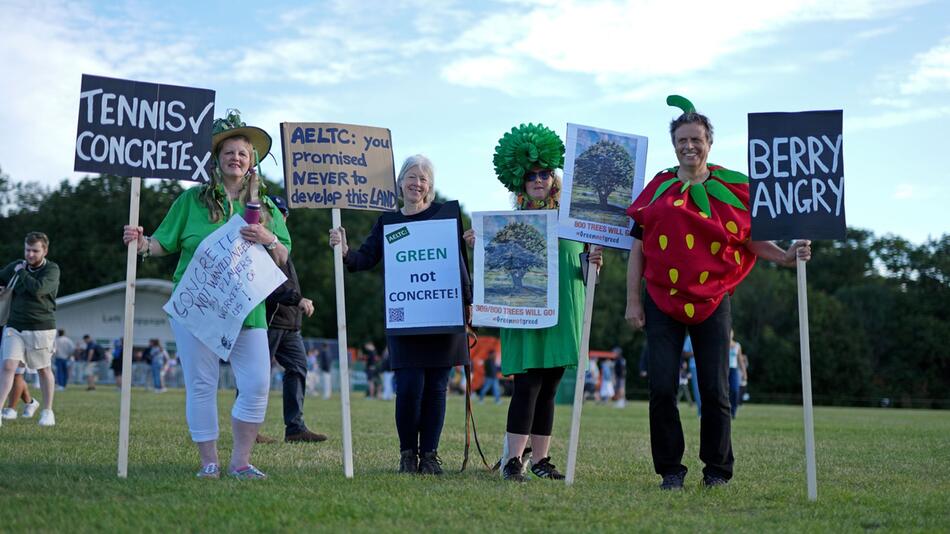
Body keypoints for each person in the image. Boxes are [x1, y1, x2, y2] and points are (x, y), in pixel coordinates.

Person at [624, 95, 812, 490]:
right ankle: (670, 471)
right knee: (661, 388)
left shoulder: (733, 188)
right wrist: (633, 302)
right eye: (682, 140)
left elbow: (750, 240)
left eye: (696, 139)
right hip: (661, 299)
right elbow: (638, 248)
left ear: (709, 142)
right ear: (673, 144)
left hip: (713, 301)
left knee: (715, 388)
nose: (689, 146)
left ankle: (717, 471)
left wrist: (784, 257)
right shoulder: (657, 189)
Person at [122, 110, 290, 480]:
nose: (236, 158)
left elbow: (283, 256)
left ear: (252, 164)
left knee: (258, 383)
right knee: (202, 384)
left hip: (248, 309)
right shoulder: (190, 201)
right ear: (216, 159)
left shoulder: (268, 208)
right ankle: (209, 462)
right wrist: (140, 242)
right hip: (197, 307)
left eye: (243, 154)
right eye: (228, 152)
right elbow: (160, 246)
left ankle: (241, 461)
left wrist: (269, 237)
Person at [464, 123, 603, 482]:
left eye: (544, 174)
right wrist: (478, 245)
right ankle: (513, 460)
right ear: (521, 182)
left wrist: (594, 262)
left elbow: (586, 270)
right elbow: (492, 264)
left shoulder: (575, 221)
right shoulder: (508, 223)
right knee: (527, 384)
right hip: (524, 311)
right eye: (531, 176)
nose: (538, 180)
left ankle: (541, 460)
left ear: (554, 179)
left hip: (564, 309)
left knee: (551, 385)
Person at [329, 154, 471, 475]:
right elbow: (365, 259)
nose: (416, 183)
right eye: (411, 176)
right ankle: (408, 454)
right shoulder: (387, 222)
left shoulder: (446, 216)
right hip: (406, 315)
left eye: (422, 178)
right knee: (408, 388)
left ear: (430, 186)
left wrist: (470, 300)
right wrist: (346, 250)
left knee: (436, 388)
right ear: (400, 182)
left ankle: (430, 455)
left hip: (443, 314)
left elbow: (460, 263)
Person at [262, 194, 327, 443]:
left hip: (290, 324)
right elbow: (270, 286)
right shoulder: (262, 245)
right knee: (256, 377)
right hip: (270, 321)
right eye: (277, 212)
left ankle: (295, 429)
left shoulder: (283, 244)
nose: (282, 216)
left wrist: (297, 301)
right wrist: (298, 299)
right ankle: (249, 429)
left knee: (298, 368)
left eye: (284, 212)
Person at [0, 231, 60, 429]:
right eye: (28, 250)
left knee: (43, 369)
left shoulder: (52, 269)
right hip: (15, 325)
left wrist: (21, 272)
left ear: (45, 250)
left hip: (41, 327)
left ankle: (47, 411)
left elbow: (38, 289)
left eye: (35, 251)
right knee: (8, 366)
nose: (30, 255)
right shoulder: (17, 266)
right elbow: (1, 277)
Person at [728, 330, 743, 419]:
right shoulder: (723, 343)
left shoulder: (737, 345)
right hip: (724, 369)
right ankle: (725, 412)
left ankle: (733, 412)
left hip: (734, 369)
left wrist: (744, 372)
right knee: (724, 392)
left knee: (735, 390)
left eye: (731, 332)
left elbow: (740, 360)